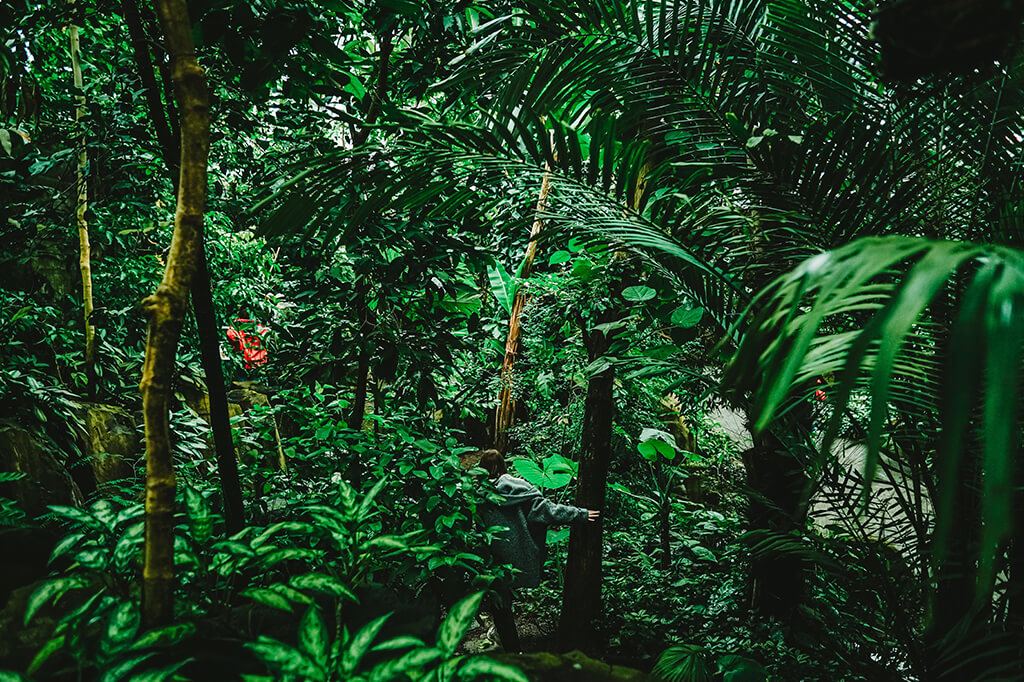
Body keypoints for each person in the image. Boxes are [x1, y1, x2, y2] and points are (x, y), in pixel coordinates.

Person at [475, 449, 599, 651]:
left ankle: (511, 648)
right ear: (504, 465)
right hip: (518, 557)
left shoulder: (477, 494)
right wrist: (581, 514)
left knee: (500, 604)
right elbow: (549, 511)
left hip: (493, 560)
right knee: (505, 601)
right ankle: (507, 643)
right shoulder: (520, 489)